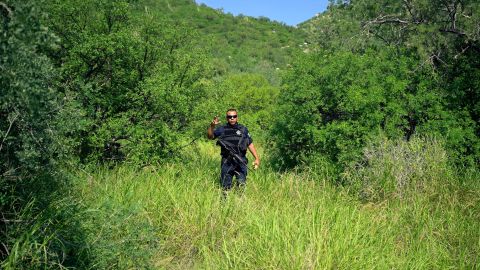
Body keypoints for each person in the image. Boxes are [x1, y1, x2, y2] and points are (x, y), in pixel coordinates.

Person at [207, 109, 260, 192]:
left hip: (241, 160)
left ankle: (240, 203)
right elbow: (210, 136)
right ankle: (224, 204)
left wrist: (256, 158)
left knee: (242, 185)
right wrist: (212, 126)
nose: (232, 118)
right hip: (227, 161)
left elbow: (249, 144)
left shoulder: (243, 129)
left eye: (234, 116)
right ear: (226, 118)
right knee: (225, 187)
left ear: (237, 117)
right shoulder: (222, 129)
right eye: (229, 117)